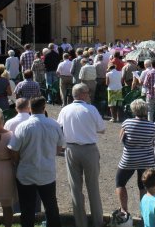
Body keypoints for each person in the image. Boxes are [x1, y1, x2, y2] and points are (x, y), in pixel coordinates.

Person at [8, 97, 63, 227]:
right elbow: (59, 148)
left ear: (30, 109)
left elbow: (13, 149)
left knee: (27, 208)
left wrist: (18, 162)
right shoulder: (54, 124)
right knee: (51, 206)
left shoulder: (23, 127)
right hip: (47, 171)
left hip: (26, 171)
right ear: (44, 108)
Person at [57, 83, 105, 227]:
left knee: (75, 188)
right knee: (93, 187)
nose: (89, 94)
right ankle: (97, 222)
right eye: (88, 92)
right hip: (89, 149)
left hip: (71, 149)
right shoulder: (91, 109)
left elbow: (59, 128)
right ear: (82, 94)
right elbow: (102, 129)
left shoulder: (65, 110)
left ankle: (80, 223)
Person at [116, 99, 155, 216]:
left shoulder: (127, 123)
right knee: (143, 185)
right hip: (147, 159)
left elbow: (121, 139)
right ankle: (144, 212)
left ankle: (124, 210)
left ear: (134, 110)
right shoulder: (152, 125)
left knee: (120, 182)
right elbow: (152, 142)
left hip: (129, 158)